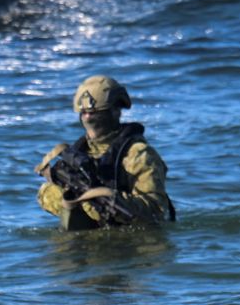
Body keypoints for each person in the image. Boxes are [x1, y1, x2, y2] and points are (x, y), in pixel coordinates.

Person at [35, 74, 177, 229]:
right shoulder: (78, 152)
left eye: (96, 112)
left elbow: (155, 211)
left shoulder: (138, 155)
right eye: (84, 113)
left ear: (116, 111)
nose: (88, 118)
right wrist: (71, 199)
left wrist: (107, 201)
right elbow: (44, 196)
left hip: (127, 244)